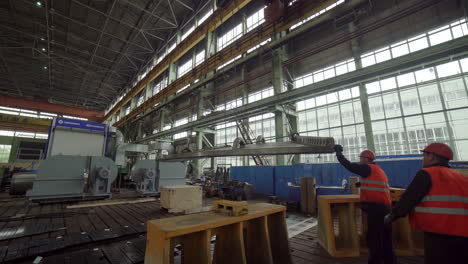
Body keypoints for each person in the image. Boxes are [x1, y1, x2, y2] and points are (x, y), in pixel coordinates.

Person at [384, 142, 468, 264]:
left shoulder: (427, 173)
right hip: (463, 233)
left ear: (432, 157)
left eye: (424, 155)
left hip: (438, 232)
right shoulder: (461, 177)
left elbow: (409, 198)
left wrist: (391, 216)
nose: (422, 159)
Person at [334, 145, 394, 264]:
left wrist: (339, 154)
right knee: (385, 238)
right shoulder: (378, 170)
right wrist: (360, 185)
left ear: (366, 159)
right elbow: (374, 185)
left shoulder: (367, 168)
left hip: (376, 208)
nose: (359, 160)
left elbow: (349, 166)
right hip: (386, 208)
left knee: (374, 237)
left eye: (361, 158)